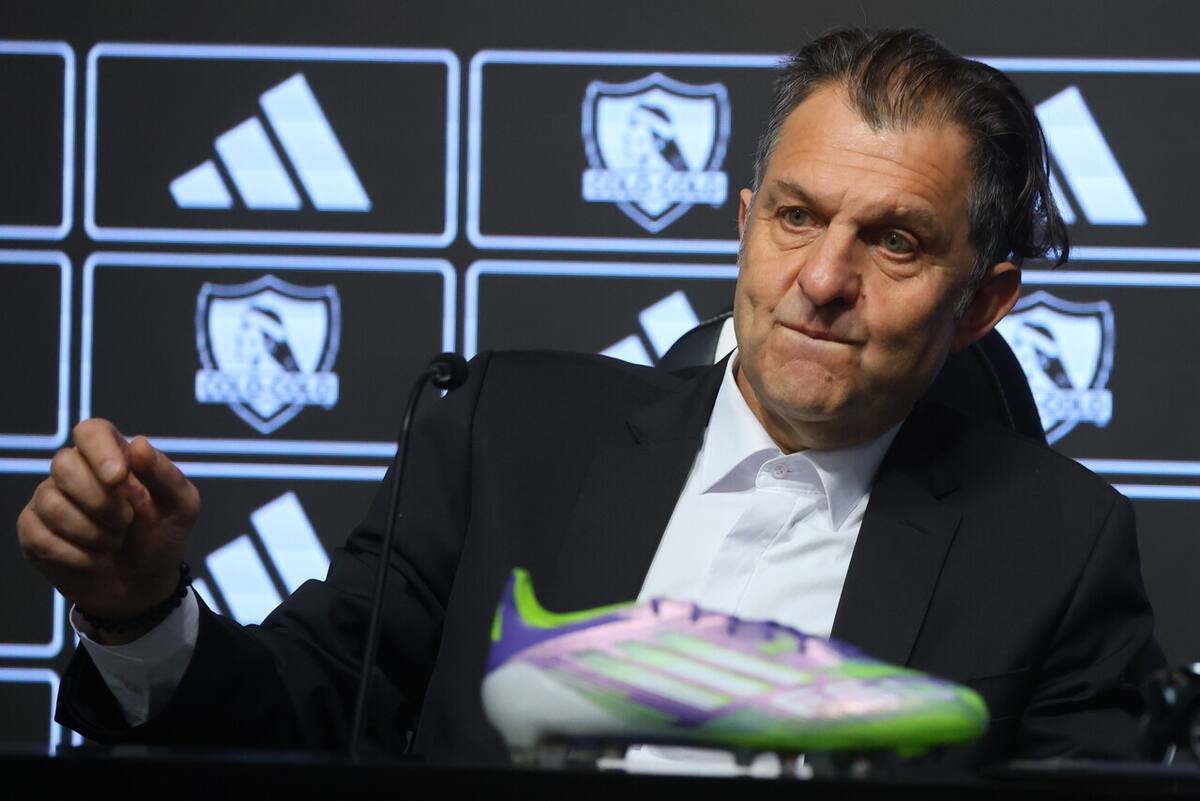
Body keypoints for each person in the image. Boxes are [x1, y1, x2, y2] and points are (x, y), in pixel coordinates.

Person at [17, 27, 1162, 769]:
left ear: (982, 304)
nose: (821, 279)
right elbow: (306, 712)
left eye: (895, 241)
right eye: (796, 217)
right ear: (748, 221)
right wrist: (138, 612)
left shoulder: (1057, 549)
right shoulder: (505, 437)